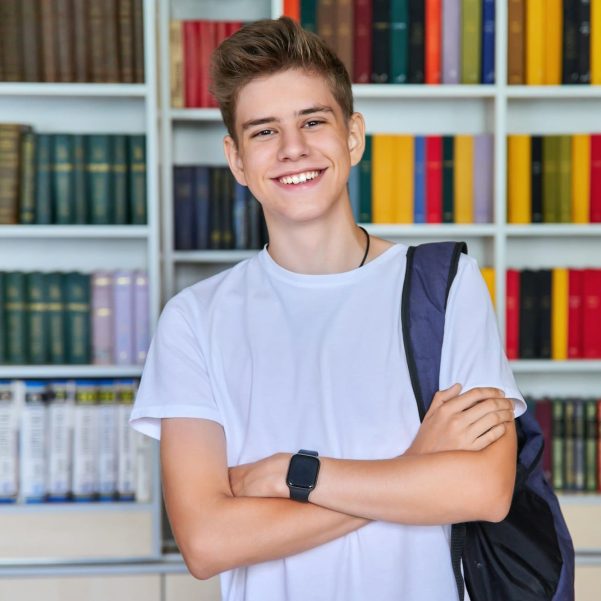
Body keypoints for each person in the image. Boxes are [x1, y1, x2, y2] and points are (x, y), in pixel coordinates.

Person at [130, 16, 526, 601]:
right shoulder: (194, 318)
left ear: (353, 136)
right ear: (237, 160)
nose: (293, 149)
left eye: (312, 121)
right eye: (264, 132)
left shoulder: (445, 287)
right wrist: (413, 467)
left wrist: (292, 473)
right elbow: (207, 542)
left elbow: (484, 492)